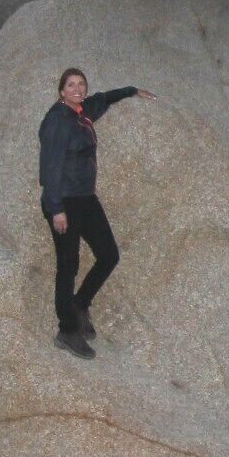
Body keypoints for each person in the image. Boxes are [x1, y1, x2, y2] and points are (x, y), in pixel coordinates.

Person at [37, 67, 155, 357]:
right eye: (71, 85)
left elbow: (102, 99)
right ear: (61, 91)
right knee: (68, 265)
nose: (77, 89)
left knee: (108, 254)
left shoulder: (81, 111)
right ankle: (67, 331)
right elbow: (49, 168)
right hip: (63, 201)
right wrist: (57, 210)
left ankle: (80, 304)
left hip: (85, 198)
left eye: (81, 84)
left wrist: (130, 91)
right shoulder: (57, 121)